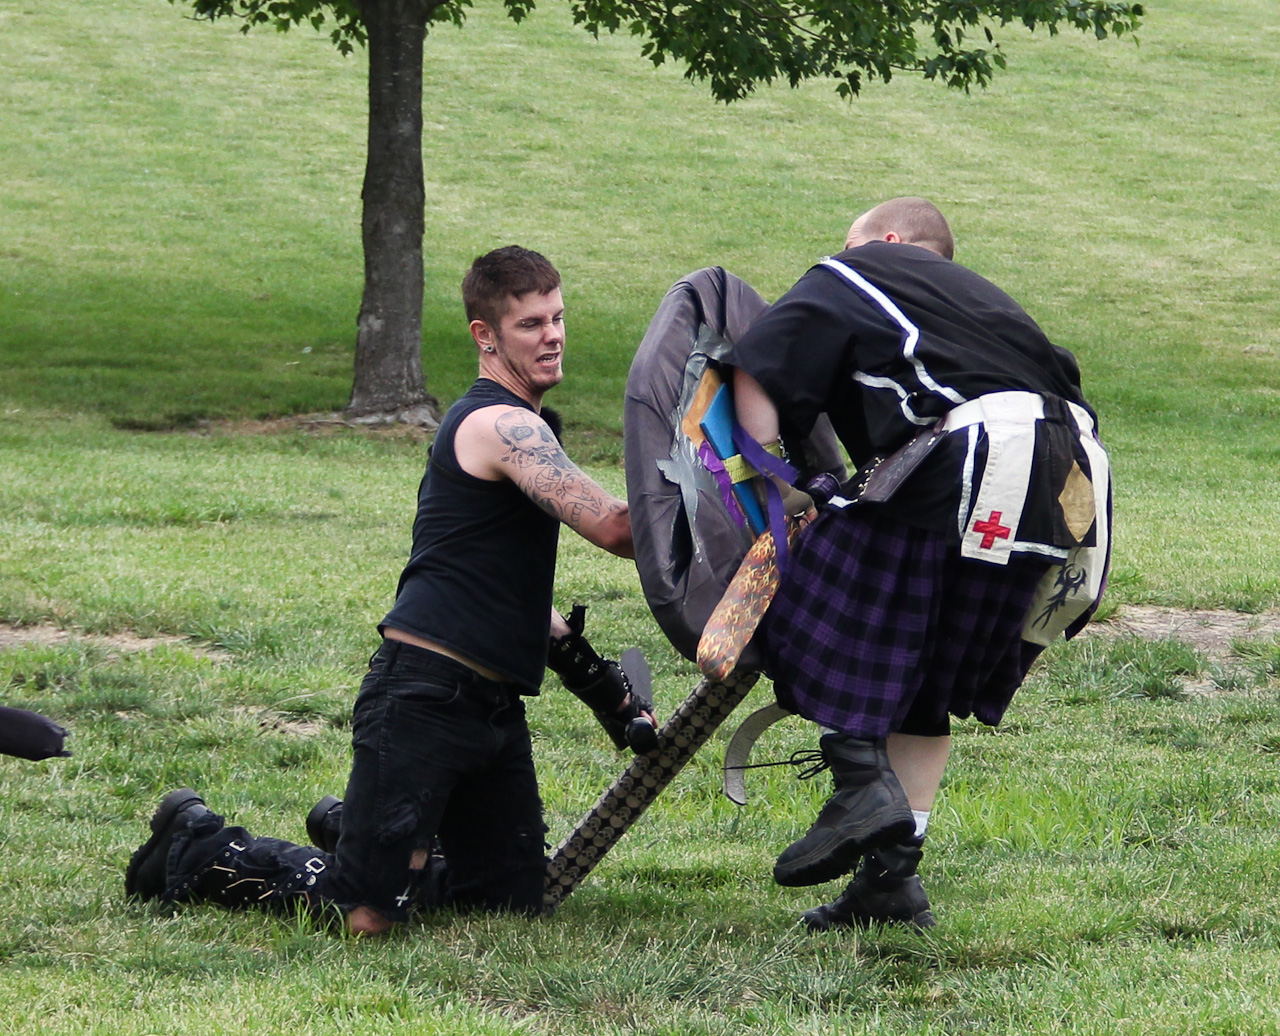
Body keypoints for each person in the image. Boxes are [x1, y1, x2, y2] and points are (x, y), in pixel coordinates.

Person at [125, 246, 649, 935]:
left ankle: (373, 837)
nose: (552, 336)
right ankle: (198, 846)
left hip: (492, 711)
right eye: (530, 324)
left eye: (557, 318)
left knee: (503, 904)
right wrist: (717, 482)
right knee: (366, 916)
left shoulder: (529, 428)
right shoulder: (499, 425)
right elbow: (617, 528)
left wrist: (608, 694)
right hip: (423, 697)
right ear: (485, 336)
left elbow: (517, 597)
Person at [730, 197, 1110, 930]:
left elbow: (758, 377)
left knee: (801, 595)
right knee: (924, 688)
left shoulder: (862, 268)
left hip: (972, 457)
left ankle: (858, 785)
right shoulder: (985, 308)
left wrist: (776, 480)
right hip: (1069, 484)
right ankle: (891, 882)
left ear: (888, 240)